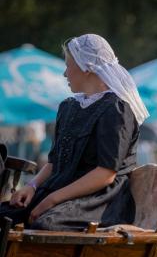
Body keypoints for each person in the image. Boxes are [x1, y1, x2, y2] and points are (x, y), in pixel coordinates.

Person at [0, 34, 149, 231]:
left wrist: (52, 199)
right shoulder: (68, 106)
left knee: (44, 224)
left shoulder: (116, 109)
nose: (64, 73)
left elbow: (105, 174)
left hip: (100, 200)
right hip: (61, 191)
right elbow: (54, 163)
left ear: (86, 67)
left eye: (68, 65)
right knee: (4, 215)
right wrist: (32, 186)